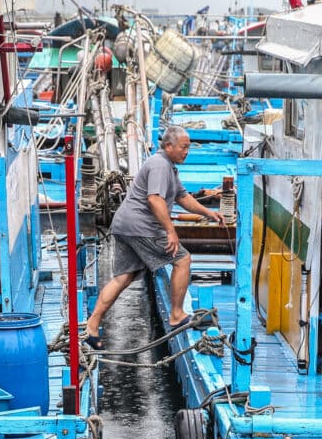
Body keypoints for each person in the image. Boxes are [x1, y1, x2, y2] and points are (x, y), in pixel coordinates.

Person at [83, 125, 223, 349]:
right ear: (168, 146)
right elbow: (155, 200)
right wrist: (170, 231)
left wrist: (209, 213)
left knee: (123, 278)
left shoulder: (168, 167)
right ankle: (176, 314)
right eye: (183, 148)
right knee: (182, 259)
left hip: (125, 225)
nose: (186, 152)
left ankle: (92, 326)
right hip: (141, 226)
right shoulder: (160, 165)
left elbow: (182, 197)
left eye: (188, 148)